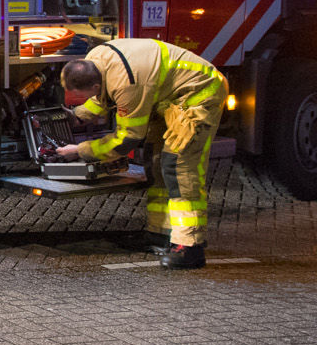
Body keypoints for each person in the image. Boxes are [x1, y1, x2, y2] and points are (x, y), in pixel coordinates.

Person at [55, 38, 229, 269]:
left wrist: (81, 150)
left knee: (178, 168)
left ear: (93, 85)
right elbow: (103, 95)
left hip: (199, 95)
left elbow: (126, 140)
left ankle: (190, 247)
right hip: (166, 99)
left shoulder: (128, 84)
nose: (85, 99)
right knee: (155, 163)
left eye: (83, 95)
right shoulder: (95, 59)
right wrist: (79, 115)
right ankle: (159, 234)